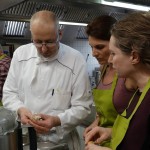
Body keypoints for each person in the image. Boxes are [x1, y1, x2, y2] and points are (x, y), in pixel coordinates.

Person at [2, 10, 93, 150]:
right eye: (38, 42)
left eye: (50, 42)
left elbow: (83, 107)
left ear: (60, 34)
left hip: (61, 140)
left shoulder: (75, 59)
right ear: (31, 35)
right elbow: (9, 94)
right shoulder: (21, 55)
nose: (44, 49)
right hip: (27, 137)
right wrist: (20, 109)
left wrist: (57, 120)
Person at [85, 11, 150, 150]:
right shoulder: (141, 91)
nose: (109, 60)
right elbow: (136, 135)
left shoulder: (146, 98)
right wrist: (110, 132)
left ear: (134, 57)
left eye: (113, 53)